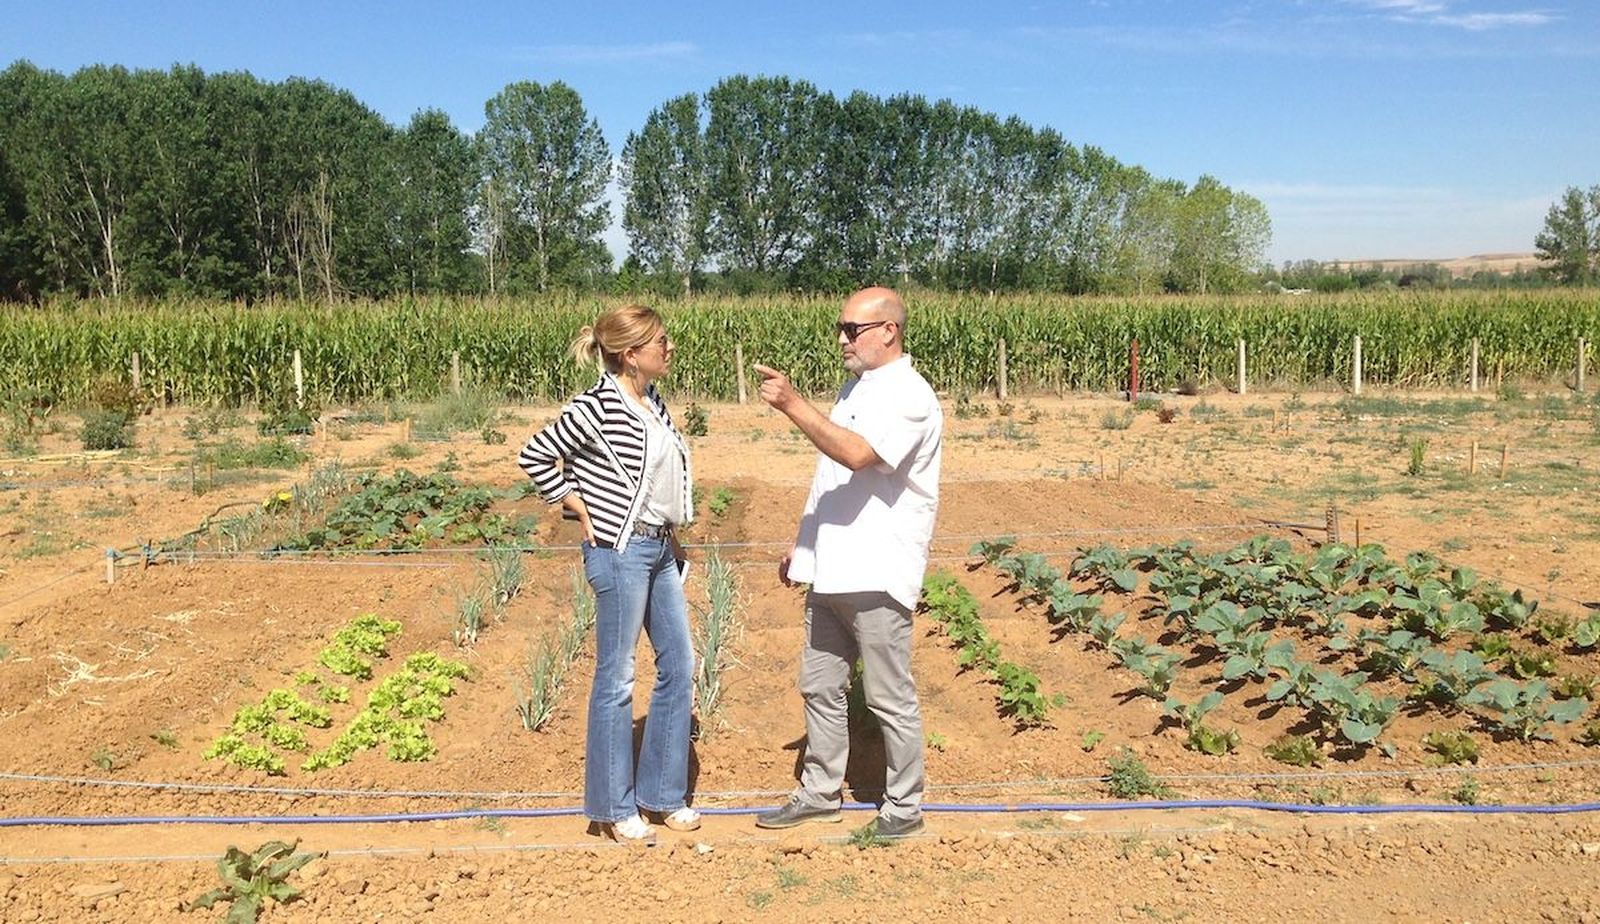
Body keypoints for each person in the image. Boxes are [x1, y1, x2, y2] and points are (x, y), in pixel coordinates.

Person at [751, 286, 943, 839]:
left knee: (888, 696)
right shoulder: (856, 387)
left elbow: (858, 456)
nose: (842, 339)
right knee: (819, 686)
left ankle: (904, 806)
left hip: (877, 570)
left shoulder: (910, 395)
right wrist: (804, 541)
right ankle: (819, 794)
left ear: (889, 331)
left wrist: (792, 404)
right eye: (840, 328)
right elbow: (830, 475)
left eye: (851, 330)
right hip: (832, 567)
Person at [516, 304, 698, 846]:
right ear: (631, 353)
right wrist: (574, 503)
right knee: (617, 678)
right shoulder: (595, 405)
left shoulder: (652, 401)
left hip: (658, 547)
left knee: (679, 665)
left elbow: (658, 481)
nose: (669, 347)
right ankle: (615, 807)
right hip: (619, 552)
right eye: (660, 341)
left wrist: (674, 541)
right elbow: (536, 455)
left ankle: (662, 795)